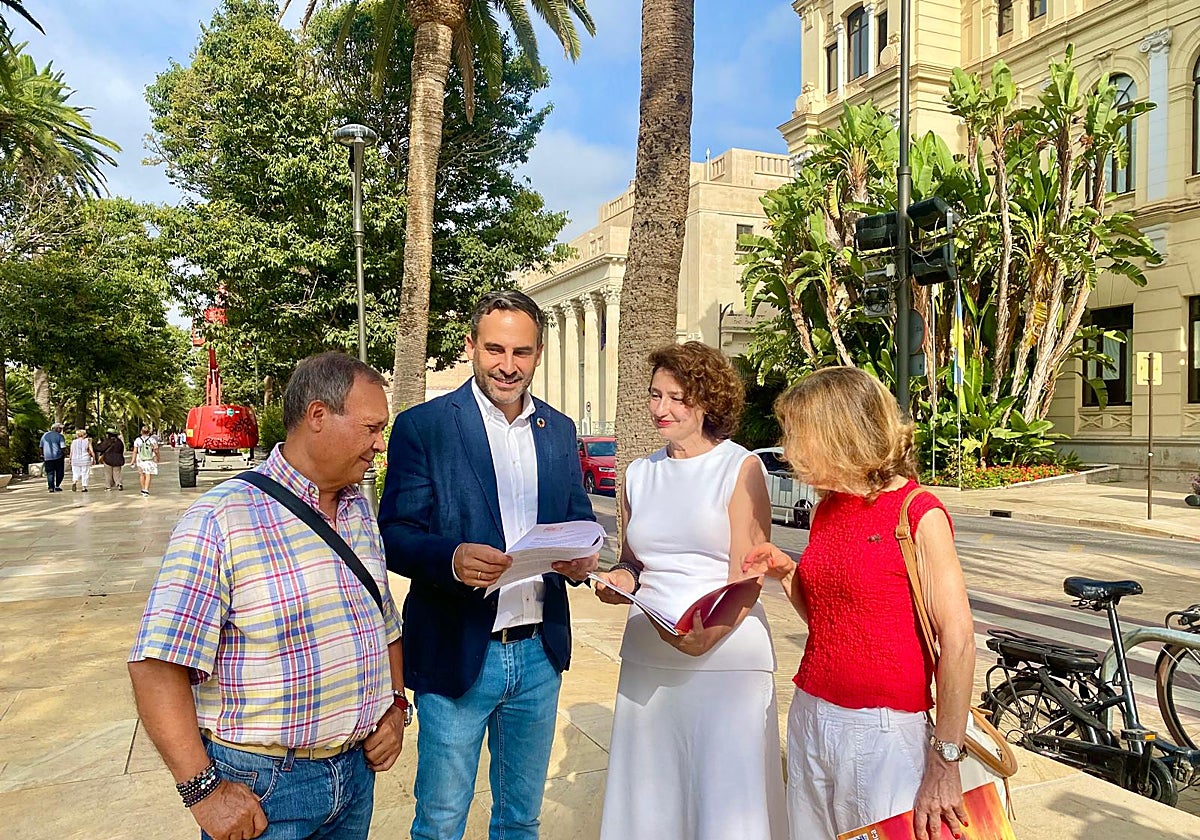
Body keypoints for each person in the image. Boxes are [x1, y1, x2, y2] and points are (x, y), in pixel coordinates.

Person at [127, 352, 406, 840]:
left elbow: (385, 623)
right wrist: (203, 792)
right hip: (265, 788)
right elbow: (156, 665)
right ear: (317, 416)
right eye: (370, 428)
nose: (378, 446)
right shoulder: (222, 519)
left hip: (355, 776)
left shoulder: (359, 508)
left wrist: (396, 706)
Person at [379, 289, 598, 840]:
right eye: (495, 349)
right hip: (457, 652)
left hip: (538, 654)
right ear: (472, 346)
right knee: (441, 820)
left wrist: (579, 559)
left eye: (521, 352)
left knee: (521, 820)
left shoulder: (560, 430)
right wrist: (450, 558)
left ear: (539, 353)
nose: (507, 365)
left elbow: (575, 517)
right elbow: (395, 536)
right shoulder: (423, 426)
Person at [741, 367, 975, 840]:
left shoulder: (917, 513)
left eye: (798, 435)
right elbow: (831, 623)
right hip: (811, 714)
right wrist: (789, 575)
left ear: (839, 434)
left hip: (884, 731)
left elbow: (960, 640)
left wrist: (945, 761)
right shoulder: (829, 509)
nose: (788, 451)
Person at [592, 341, 788, 840]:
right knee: (651, 800)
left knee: (726, 801)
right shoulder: (639, 473)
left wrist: (710, 634)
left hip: (724, 656)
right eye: (655, 395)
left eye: (676, 397)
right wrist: (619, 581)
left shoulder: (739, 467)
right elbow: (635, 561)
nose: (661, 409)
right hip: (647, 653)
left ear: (707, 401)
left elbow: (751, 574)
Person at [39, 422, 67, 492]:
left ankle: (51, 487)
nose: (61, 430)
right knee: (60, 472)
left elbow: (41, 446)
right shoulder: (60, 436)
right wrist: (64, 454)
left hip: (47, 457)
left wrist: (42, 454)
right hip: (58, 457)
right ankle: (57, 485)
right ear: (57, 428)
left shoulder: (44, 435)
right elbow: (63, 447)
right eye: (60, 428)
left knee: (50, 473)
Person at [133, 425, 160, 496]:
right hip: (149, 459)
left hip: (140, 459)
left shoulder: (137, 440)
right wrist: (158, 457)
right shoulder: (152, 440)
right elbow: (156, 450)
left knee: (141, 474)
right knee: (148, 475)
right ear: (149, 432)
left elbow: (135, 451)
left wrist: (133, 460)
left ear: (141, 432)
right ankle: (146, 489)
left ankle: (142, 489)